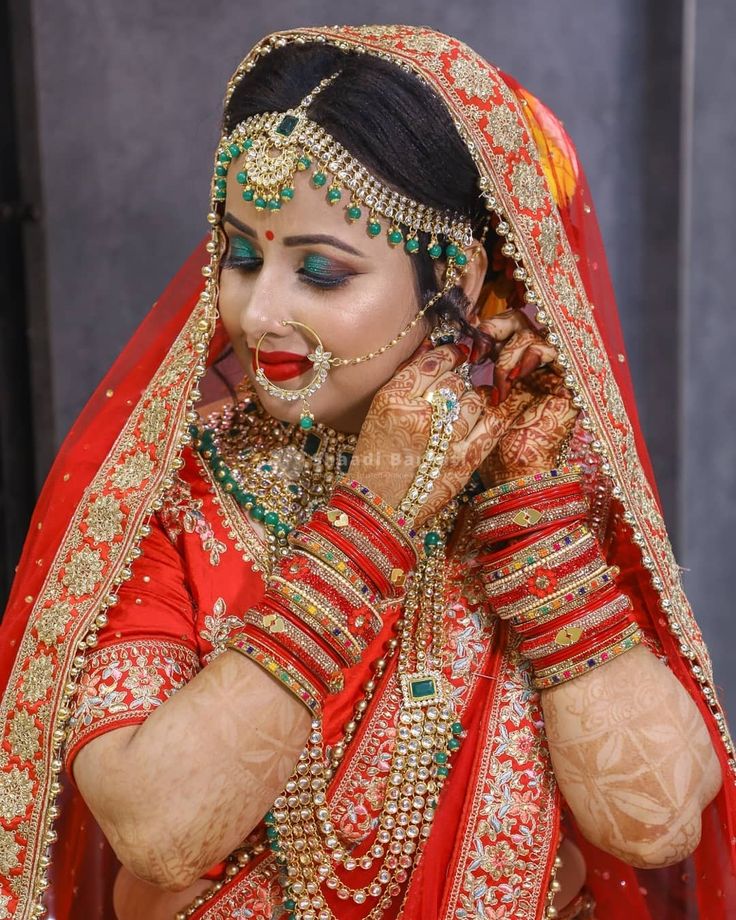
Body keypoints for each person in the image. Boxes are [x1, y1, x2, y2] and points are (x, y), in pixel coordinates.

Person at [0, 24, 734, 920]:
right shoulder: (174, 489)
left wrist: (536, 526)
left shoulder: (545, 483)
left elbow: (655, 823)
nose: (259, 309)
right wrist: (364, 526)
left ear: (455, 280)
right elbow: (158, 829)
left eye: (319, 270)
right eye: (240, 256)